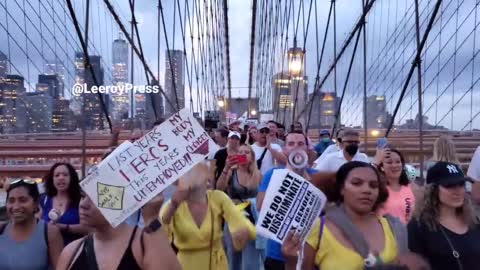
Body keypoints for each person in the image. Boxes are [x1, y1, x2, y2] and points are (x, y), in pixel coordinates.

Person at [282, 161, 419, 270]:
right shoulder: (318, 228)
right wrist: (291, 261)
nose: (366, 190)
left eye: (373, 185)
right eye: (357, 183)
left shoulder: (394, 227)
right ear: (341, 188)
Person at [160, 162, 255, 270]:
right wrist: (173, 206)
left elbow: (239, 222)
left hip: (217, 265)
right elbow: (160, 237)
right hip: (187, 265)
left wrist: (242, 231)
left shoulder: (218, 198)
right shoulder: (171, 205)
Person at [56, 189, 181, 270]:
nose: (83, 205)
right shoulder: (71, 251)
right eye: (83, 196)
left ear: (117, 202)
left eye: (95, 198)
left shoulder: (143, 244)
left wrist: (152, 218)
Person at [257, 131, 319, 270]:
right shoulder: (272, 174)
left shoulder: (318, 177)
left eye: (300, 144)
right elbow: (261, 206)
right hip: (277, 253)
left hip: (310, 253)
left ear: (307, 149)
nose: (296, 147)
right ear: (285, 149)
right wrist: (289, 176)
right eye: (291, 144)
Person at [408, 161, 480, 270]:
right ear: (433, 190)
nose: (458, 191)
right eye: (450, 185)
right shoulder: (419, 227)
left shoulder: (475, 221)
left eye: (461, 184)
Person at [216, 144, 263, 270]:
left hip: (253, 219)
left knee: (251, 256)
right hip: (234, 218)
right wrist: (226, 167)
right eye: (240, 152)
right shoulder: (232, 172)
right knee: (233, 254)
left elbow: (264, 196)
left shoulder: (258, 174)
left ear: (252, 157)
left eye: (246, 152)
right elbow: (219, 188)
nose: (243, 154)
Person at [0, 179, 64, 270]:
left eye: (23, 200)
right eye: (11, 201)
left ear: (36, 203)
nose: (16, 207)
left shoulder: (50, 233)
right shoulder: (1, 230)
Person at [40, 162, 88, 245]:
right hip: (48, 251)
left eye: (65, 175)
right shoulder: (43, 200)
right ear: (52, 179)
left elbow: (89, 228)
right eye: (57, 175)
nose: (61, 178)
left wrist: (65, 227)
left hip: (75, 250)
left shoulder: (81, 200)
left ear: (72, 178)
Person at [374, 148, 416, 224]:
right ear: (382, 167)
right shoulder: (377, 188)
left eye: (398, 162)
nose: (394, 165)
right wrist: (375, 163)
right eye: (389, 162)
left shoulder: (411, 187)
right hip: (384, 233)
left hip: (406, 234)